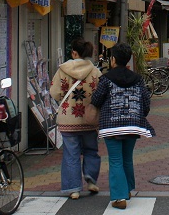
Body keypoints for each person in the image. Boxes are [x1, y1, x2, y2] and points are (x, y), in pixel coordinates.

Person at [91, 43, 155, 210]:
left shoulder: (106, 79)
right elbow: (146, 102)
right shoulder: (138, 79)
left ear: (113, 60)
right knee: (127, 158)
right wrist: (137, 116)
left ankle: (119, 197)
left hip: (111, 125)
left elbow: (96, 100)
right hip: (133, 124)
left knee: (116, 160)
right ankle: (126, 190)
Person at [49, 37, 102, 200]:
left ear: (74, 52)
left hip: (68, 119)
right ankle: (91, 180)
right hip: (89, 119)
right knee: (91, 150)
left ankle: (73, 189)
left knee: (71, 154)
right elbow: (100, 94)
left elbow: (55, 92)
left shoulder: (62, 70)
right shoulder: (95, 72)